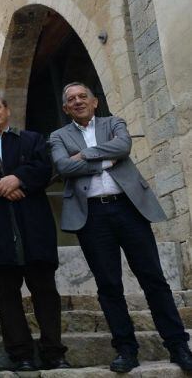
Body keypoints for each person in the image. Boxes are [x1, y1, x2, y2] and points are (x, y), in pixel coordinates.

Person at [50, 82, 192, 373]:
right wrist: (105, 160)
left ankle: (178, 345)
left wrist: (85, 155)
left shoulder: (114, 122)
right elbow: (63, 167)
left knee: (153, 279)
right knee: (109, 285)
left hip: (129, 208)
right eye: (71, 100)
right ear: (65, 108)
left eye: (82, 97)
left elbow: (123, 146)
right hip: (91, 215)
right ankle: (126, 350)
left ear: (94, 102)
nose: (77, 102)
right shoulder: (58, 135)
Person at [0, 94, 69, 371]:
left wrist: (18, 178)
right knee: (7, 298)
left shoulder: (31, 139)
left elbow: (43, 168)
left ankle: (53, 352)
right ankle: (21, 354)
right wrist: (0, 186)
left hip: (33, 229)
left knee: (45, 293)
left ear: (7, 111)